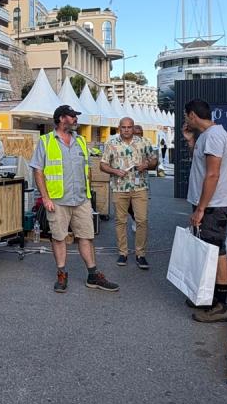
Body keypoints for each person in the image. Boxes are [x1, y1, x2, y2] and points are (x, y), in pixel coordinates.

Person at [30, 105, 119, 293]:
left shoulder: (80, 141)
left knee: (87, 236)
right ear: (62, 119)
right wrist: (45, 198)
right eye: (72, 116)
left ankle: (93, 275)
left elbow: (87, 170)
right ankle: (61, 274)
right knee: (59, 238)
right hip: (57, 200)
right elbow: (38, 170)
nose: (75, 119)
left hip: (81, 200)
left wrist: (89, 195)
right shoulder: (46, 141)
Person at [184, 98, 227, 323]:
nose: (186, 120)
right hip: (210, 205)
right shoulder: (207, 136)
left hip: (214, 206)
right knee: (210, 251)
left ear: (193, 115)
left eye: (186, 116)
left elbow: (212, 174)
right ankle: (208, 299)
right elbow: (203, 164)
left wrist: (201, 209)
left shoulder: (213, 136)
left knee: (217, 253)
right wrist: (190, 141)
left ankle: (220, 306)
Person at [100, 117, 157, 269]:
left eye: (129, 127)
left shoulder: (144, 142)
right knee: (120, 221)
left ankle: (140, 254)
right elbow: (102, 165)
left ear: (133, 128)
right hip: (119, 187)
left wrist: (146, 164)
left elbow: (154, 161)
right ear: (119, 128)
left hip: (140, 187)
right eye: (123, 127)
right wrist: (115, 171)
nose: (126, 130)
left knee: (142, 220)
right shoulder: (111, 144)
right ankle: (123, 253)